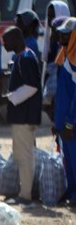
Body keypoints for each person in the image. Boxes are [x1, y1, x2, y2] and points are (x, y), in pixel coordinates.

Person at [3, 26, 43, 204]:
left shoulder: (25, 58)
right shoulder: (23, 56)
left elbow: (31, 86)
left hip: (24, 115)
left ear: (17, 40)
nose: (4, 44)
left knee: (24, 155)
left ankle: (25, 195)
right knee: (23, 154)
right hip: (23, 114)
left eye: (7, 40)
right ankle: (25, 191)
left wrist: (9, 98)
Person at [51, 18, 76, 204]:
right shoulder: (66, 56)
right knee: (68, 160)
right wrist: (56, 121)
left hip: (72, 122)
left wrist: (69, 122)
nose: (61, 36)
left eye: (66, 34)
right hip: (63, 121)